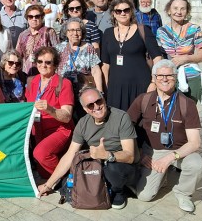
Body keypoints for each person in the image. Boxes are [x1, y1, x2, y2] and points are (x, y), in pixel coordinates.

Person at [38, 87, 138, 210]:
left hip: (120, 164)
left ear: (104, 99)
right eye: (90, 105)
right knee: (73, 176)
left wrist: (107, 155)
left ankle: (120, 190)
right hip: (98, 163)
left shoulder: (122, 117)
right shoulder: (82, 123)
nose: (96, 107)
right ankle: (104, 187)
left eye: (99, 101)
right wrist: (48, 185)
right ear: (85, 109)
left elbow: (130, 156)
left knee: (112, 169)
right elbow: (70, 155)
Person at [127, 60, 202, 213]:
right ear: (153, 78)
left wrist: (169, 158)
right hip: (153, 151)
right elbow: (126, 129)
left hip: (181, 151)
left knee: (196, 164)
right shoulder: (144, 99)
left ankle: (183, 193)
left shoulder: (187, 104)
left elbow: (195, 143)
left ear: (175, 77)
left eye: (169, 75)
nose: (164, 79)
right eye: (160, 75)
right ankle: (161, 180)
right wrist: (140, 154)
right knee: (145, 196)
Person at [101, 0, 163, 111]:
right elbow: (105, 64)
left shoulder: (143, 30)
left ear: (132, 11)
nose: (122, 13)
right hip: (116, 87)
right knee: (117, 121)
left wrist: (154, 82)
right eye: (118, 11)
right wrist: (105, 86)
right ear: (113, 14)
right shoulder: (108, 33)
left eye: (126, 10)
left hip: (140, 85)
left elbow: (157, 57)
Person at [25, 47, 74, 179]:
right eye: (39, 61)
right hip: (39, 131)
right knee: (43, 172)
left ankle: (67, 181)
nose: (43, 65)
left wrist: (50, 109)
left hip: (59, 129)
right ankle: (59, 177)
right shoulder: (32, 81)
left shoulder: (64, 84)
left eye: (48, 62)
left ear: (55, 65)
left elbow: (67, 116)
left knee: (40, 154)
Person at [156, 0, 202, 104]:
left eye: (182, 9)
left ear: (187, 11)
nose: (178, 12)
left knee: (188, 114)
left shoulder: (194, 29)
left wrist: (185, 58)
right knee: (170, 113)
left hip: (190, 78)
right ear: (169, 10)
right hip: (168, 78)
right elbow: (159, 56)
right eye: (175, 8)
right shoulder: (161, 31)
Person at [55, 18, 103, 120]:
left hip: (83, 91)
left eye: (78, 30)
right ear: (66, 33)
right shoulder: (59, 48)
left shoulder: (88, 47)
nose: (75, 33)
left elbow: (95, 70)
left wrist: (99, 93)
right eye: (71, 30)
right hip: (63, 91)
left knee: (83, 120)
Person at [16, 5, 59, 75]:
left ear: (42, 17)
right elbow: (18, 55)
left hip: (45, 73)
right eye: (30, 17)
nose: (34, 19)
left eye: (37, 16)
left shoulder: (49, 32)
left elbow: (57, 53)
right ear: (27, 18)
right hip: (26, 73)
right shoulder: (23, 35)